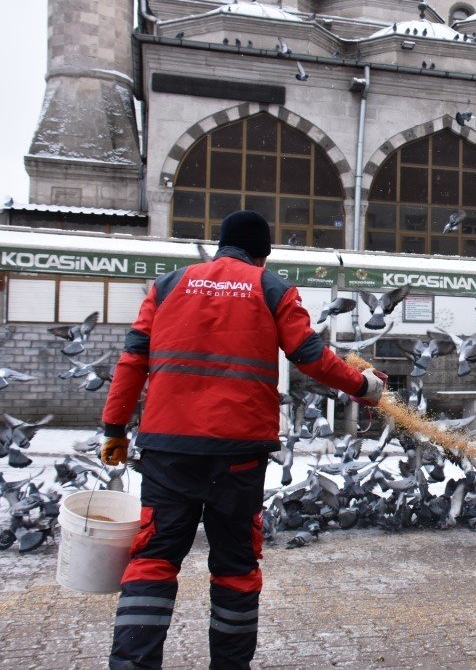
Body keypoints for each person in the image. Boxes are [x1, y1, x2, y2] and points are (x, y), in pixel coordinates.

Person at [100, 210, 385, 669]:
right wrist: (364, 387)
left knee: (153, 560)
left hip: (168, 451)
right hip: (238, 456)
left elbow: (133, 359)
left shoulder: (168, 285)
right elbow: (310, 355)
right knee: (234, 569)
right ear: (262, 254)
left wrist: (114, 429)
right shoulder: (270, 287)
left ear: (220, 246)